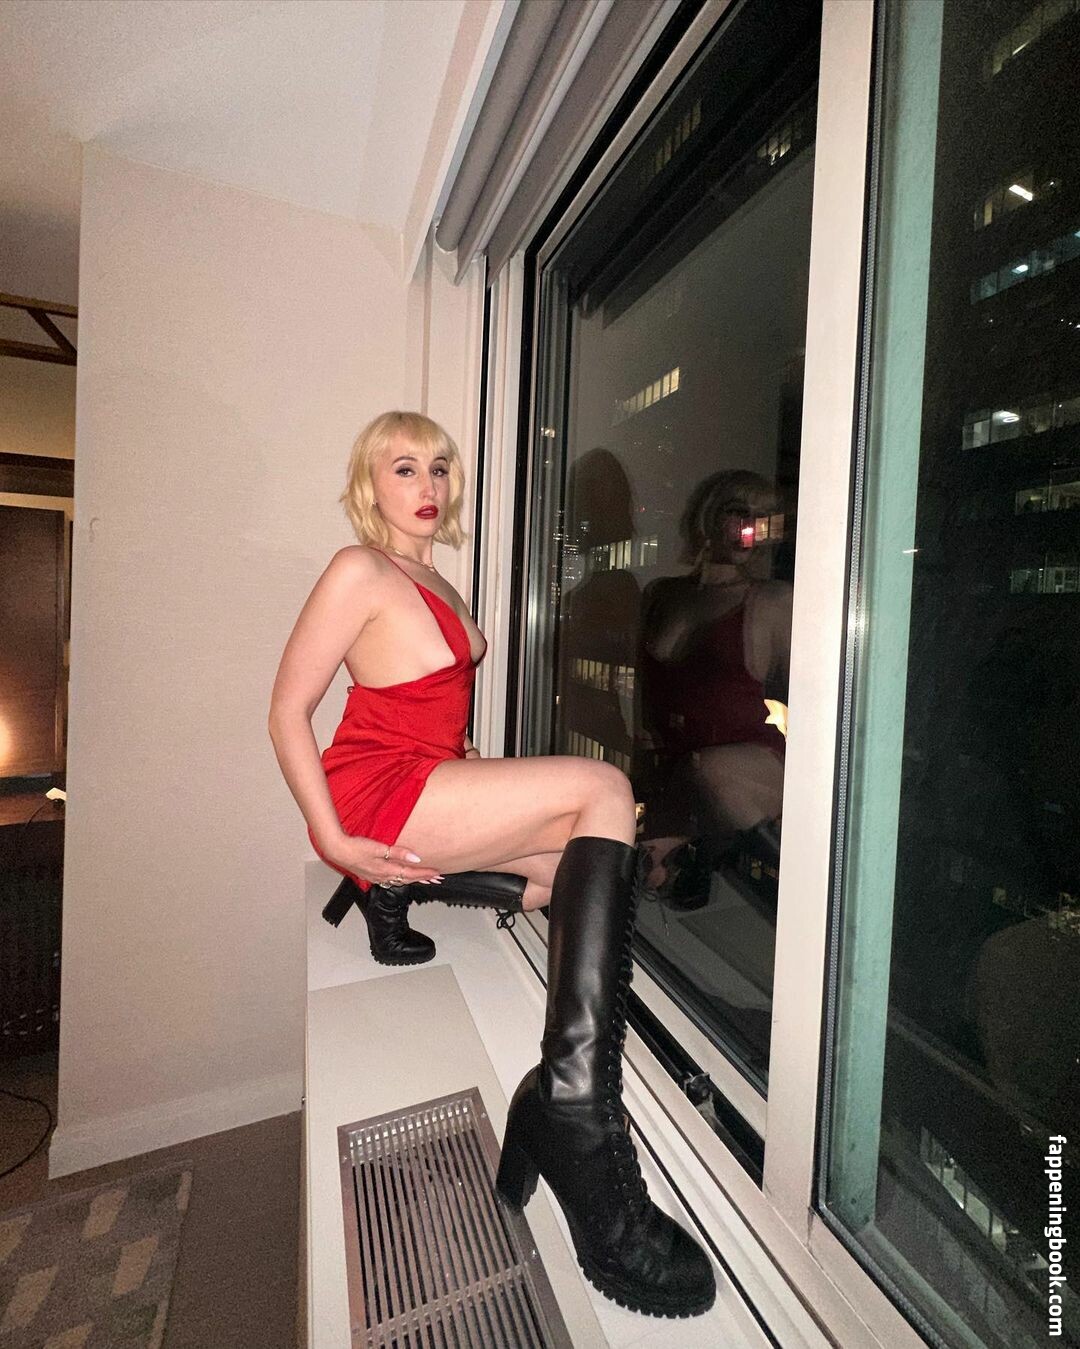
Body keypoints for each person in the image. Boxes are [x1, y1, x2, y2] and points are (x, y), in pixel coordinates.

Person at [268, 410, 715, 1318]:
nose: (427, 485)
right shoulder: (358, 568)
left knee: (563, 875)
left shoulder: (434, 574)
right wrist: (334, 839)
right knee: (603, 789)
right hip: (375, 790)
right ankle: (577, 1108)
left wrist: (462, 754)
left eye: (439, 467)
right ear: (370, 483)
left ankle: (392, 894)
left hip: (426, 774)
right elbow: (286, 711)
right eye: (404, 468)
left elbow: (425, 698)